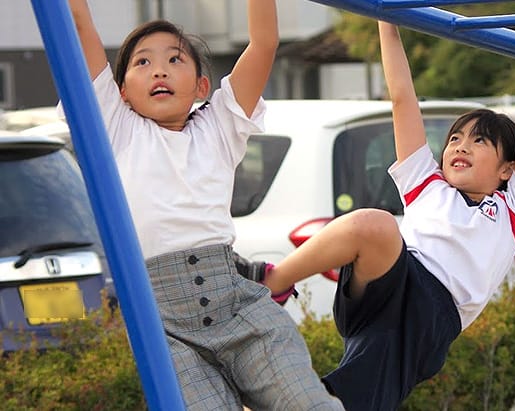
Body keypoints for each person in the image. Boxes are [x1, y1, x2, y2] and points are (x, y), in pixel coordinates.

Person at [261, 3, 515, 410]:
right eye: (456, 139)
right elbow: (402, 98)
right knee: (374, 223)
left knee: (362, 386)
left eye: (478, 141)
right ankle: (274, 282)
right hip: (391, 276)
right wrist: (388, 21)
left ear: (507, 169)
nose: (460, 146)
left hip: (432, 313)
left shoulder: (513, 210)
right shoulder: (427, 186)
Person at [62, 1, 343, 410]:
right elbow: (77, 22)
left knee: (308, 403)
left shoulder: (220, 127)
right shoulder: (114, 125)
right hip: (163, 324)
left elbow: (264, 43)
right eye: (142, 62)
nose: (159, 70)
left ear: (200, 87)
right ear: (120, 92)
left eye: (174, 59)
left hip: (235, 303)